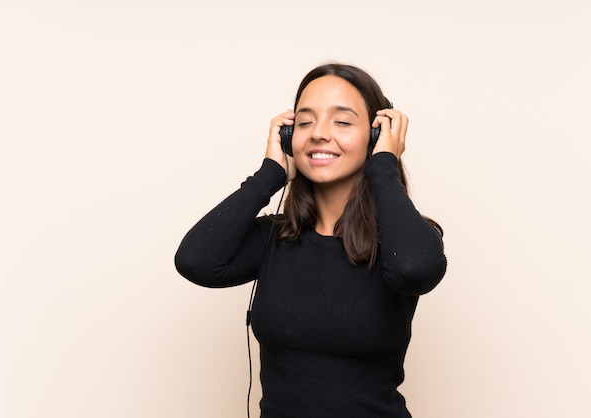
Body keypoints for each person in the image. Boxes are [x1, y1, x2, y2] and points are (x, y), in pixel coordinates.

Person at [175, 63, 447, 418]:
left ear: (377, 136)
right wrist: (270, 173)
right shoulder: (274, 237)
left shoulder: (403, 240)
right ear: (289, 137)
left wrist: (383, 164)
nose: (319, 133)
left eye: (343, 121)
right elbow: (195, 261)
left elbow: (415, 269)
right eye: (304, 122)